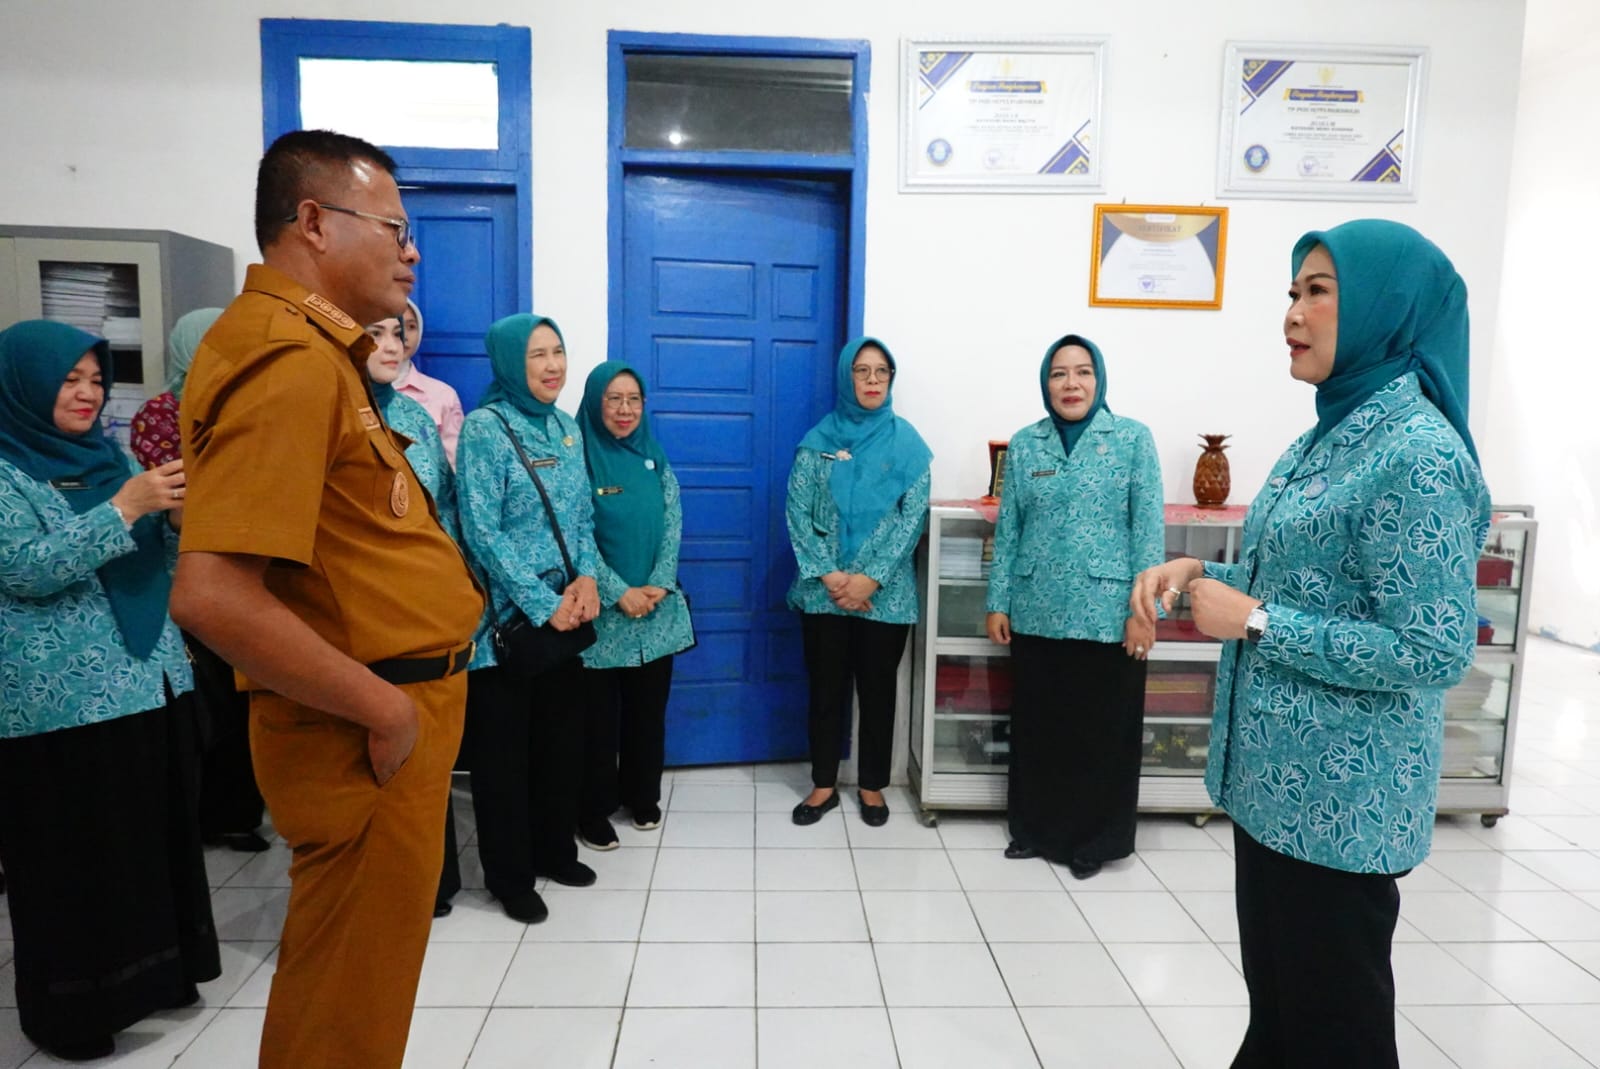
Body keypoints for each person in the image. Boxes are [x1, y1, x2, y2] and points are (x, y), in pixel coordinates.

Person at [1131, 219, 1491, 1069]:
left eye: (1319, 291)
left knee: (1335, 1037)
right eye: (1293, 292)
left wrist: (1254, 621)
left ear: (1383, 308)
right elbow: (1301, 578)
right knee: (1283, 1022)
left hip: (1341, 810)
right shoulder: (1331, 432)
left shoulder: (1418, 454)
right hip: (1275, 791)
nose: (1292, 312)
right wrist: (1201, 569)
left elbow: (1434, 648)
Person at [169, 130, 483, 1069]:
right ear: (312, 221)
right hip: (365, 727)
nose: (411, 252)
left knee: (353, 988)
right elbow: (213, 595)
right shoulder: (289, 359)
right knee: (347, 1006)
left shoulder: (315, 350)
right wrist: (387, 711)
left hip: (382, 714)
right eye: (394, 228)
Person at [0, 320, 220, 1061]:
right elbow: (25, 569)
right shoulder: (7, 471)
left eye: (96, 380)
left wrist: (173, 519)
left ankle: (159, 978)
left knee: (151, 846)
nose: (87, 393)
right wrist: (125, 507)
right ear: (26, 383)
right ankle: (73, 1012)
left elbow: (154, 558)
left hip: (148, 681)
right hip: (60, 706)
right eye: (69, 380)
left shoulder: (109, 456)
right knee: (75, 863)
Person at [985, 334, 1163, 879]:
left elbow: (1147, 531)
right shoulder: (1026, 443)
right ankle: (1032, 830)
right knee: (1040, 727)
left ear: (1099, 379)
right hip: (1035, 607)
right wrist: (998, 601)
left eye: (1083, 372)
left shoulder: (1131, 439)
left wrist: (1144, 613)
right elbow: (1009, 528)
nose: (1071, 384)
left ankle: (1094, 840)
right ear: (1046, 383)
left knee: (1101, 731)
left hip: (1108, 613)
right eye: (1059, 373)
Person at [457, 313, 602, 922]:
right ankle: (511, 878)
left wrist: (587, 580)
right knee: (504, 763)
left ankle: (554, 850)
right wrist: (545, 606)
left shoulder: (566, 428)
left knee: (559, 748)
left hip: (566, 620)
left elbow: (582, 518)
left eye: (558, 351)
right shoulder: (485, 429)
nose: (552, 365)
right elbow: (480, 532)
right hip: (508, 631)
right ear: (511, 362)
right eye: (537, 354)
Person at [132, 308, 270, 854]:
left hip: (250, 572)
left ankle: (236, 815)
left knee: (242, 702)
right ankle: (196, 816)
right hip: (185, 575)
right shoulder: (160, 414)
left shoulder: (244, 402)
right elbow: (177, 501)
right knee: (203, 704)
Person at [786, 337, 932, 827]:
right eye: (861, 371)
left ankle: (871, 786)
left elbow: (911, 519)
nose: (872, 380)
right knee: (825, 691)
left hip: (884, 596)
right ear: (846, 377)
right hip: (822, 591)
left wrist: (870, 579)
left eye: (881, 371)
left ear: (891, 379)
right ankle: (823, 785)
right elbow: (797, 513)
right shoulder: (818, 442)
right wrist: (833, 577)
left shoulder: (908, 444)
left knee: (877, 692)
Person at [366, 313, 473, 917]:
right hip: (360, 618)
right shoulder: (323, 410)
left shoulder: (414, 416)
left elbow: (445, 507)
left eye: (396, 333)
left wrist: (456, 585)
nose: (391, 344)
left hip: (425, 611)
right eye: (373, 333)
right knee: (372, 762)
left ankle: (433, 882)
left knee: (427, 758)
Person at [574, 361, 696, 848]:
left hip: (655, 612)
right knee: (597, 723)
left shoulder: (653, 456)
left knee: (648, 713)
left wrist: (661, 581)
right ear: (595, 402)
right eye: (614, 399)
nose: (625, 410)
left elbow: (673, 518)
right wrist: (617, 590)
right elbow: (576, 535)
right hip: (602, 616)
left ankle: (643, 796)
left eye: (634, 400)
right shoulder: (578, 459)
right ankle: (594, 810)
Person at [393, 298, 464, 468]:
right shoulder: (354, 388)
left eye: (411, 327)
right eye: (397, 328)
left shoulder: (442, 394)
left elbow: (455, 464)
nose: (404, 336)